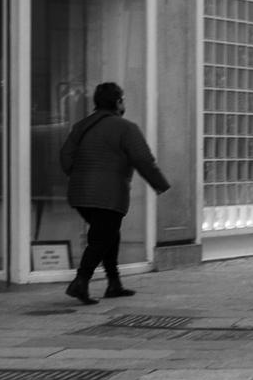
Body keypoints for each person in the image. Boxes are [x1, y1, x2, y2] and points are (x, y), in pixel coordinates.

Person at [59, 83, 171, 305]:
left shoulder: (81, 126)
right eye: (123, 100)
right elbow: (143, 159)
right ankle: (80, 282)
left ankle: (114, 283)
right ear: (118, 102)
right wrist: (160, 184)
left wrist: (80, 174)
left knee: (109, 234)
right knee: (102, 238)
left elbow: (65, 158)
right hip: (108, 195)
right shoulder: (125, 128)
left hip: (80, 195)